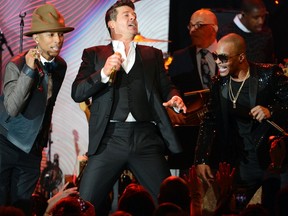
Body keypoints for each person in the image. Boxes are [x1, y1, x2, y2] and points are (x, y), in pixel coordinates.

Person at [71, 1, 186, 215]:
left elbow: (167, 87)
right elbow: (77, 92)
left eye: (134, 14)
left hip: (145, 138)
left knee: (169, 203)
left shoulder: (152, 55)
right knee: (83, 204)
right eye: (126, 15)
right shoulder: (94, 54)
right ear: (112, 24)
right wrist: (103, 73)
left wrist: (175, 98)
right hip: (110, 139)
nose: (133, 17)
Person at [194, 33, 288, 213]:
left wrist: (271, 110)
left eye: (223, 58)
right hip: (240, 162)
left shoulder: (269, 75)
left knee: (275, 209)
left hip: (271, 159)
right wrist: (201, 158)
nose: (218, 62)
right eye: (216, 56)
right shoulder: (219, 83)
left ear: (241, 57)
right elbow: (209, 120)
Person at [0, 3, 74, 212]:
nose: (57, 40)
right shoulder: (16, 65)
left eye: (60, 34)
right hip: (6, 142)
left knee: (22, 206)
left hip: (32, 149)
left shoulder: (60, 65)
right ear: (36, 39)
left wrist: (41, 139)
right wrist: (29, 71)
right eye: (51, 34)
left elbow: (47, 104)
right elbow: (13, 108)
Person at [166, 9, 218, 172]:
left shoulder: (228, 52)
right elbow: (168, 87)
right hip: (190, 136)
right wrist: (170, 107)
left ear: (214, 28)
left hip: (222, 134)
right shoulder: (179, 57)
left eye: (199, 25)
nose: (192, 30)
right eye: (190, 26)